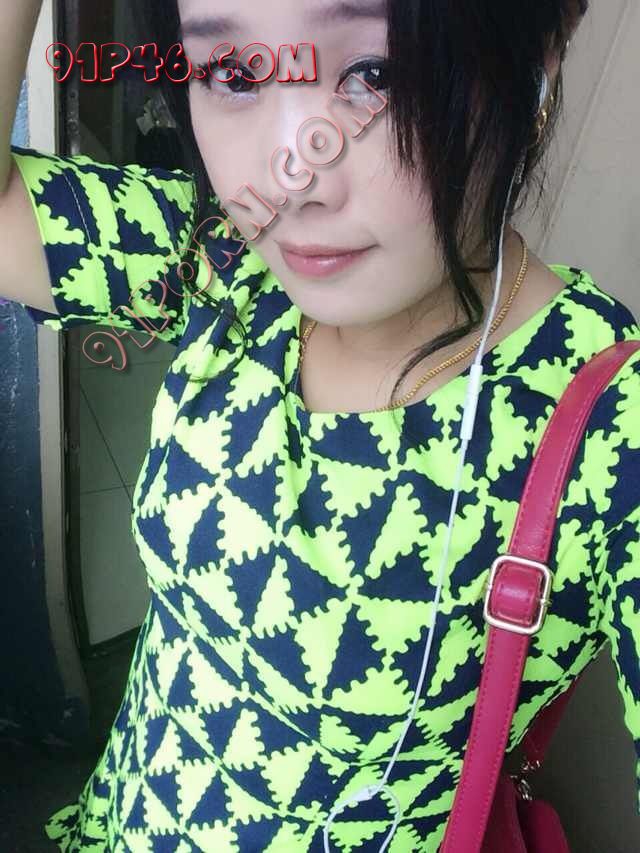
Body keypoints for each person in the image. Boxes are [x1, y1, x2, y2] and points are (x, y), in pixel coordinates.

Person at [1, 0, 639, 850]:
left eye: (377, 73)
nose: (291, 176)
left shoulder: (610, 429)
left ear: (543, 48)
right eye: (233, 74)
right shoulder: (222, 256)